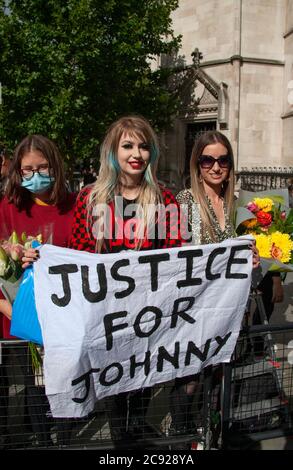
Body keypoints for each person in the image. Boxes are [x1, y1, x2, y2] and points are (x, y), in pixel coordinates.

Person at [66, 115, 182, 445]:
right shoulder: (89, 198)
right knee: (116, 399)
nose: (136, 153)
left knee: (141, 392)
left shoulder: (165, 200)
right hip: (107, 318)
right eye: (128, 145)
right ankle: (122, 444)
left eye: (144, 146)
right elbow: (78, 256)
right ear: (113, 152)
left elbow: (177, 256)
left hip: (149, 316)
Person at [170, 130, 259, 444]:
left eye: (223, 159)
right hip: (193, 312)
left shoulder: (241, 205)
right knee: (190, 382)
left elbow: (251, 252)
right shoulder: (186, 202)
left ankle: (210, 437)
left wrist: (254, 260)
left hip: (231, 312)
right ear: (197, 163)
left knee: (220, 381)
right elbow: (177, 255)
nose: (216, 166)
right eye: (208, 159)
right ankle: (182, 440)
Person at [0, 134, 77, 447]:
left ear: (55, 167)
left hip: (64, 314)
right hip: (18, 315)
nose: (35, 176)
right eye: (27, 170)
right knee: (34, 385)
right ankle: (43, 440)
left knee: (63, 383)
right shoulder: (6, 207)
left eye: (42, 168)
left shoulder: (73, 206)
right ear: (17, 171)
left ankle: (65, 438)